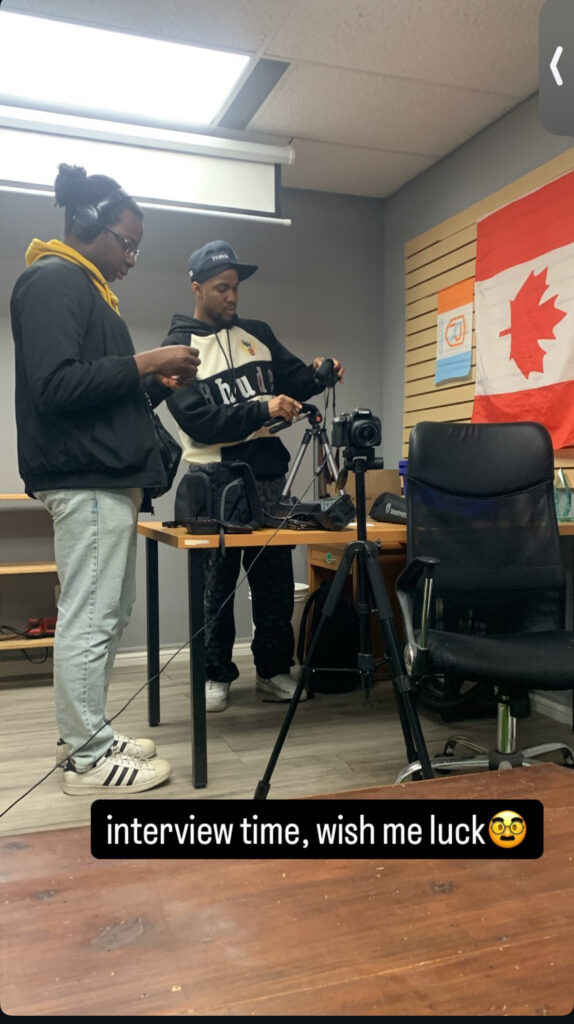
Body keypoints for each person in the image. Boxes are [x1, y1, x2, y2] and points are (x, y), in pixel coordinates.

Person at [10, 163, 200, 795]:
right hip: (85, 479)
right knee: (91, 617)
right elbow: (55, 386)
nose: (131, 259)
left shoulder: (83, 287)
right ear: (88, 224)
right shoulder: (52, 280)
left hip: (103, 477)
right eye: (128, 243)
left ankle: (85, 732)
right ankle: (88, 759)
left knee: (107, 613)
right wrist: (144, 360)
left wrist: (150, 382)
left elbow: (95, 394)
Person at [159, 239, 343, 713]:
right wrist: (262, 409)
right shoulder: (177, 350)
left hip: (267, 476)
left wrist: (319, 373)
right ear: (197, 287)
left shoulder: (257, 335)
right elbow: (200, 421)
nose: (232, 297)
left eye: (236, 287)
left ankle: (273, 671)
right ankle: (214, 674)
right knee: (215, 587)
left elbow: (295, 380)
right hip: (213, 480)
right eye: (221, 288)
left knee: (274, 583)